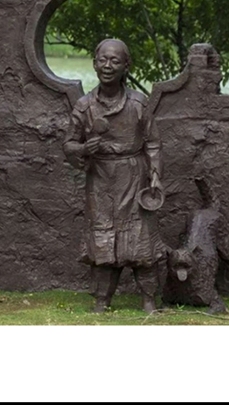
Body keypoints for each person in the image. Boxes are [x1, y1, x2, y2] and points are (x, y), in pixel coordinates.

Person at [63, 39, 167, 313]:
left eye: (115, 61)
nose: (108, 66)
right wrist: (84, 149)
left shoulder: (138, 103)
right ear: (94, 63)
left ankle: (148, 299)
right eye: (103, 60)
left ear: (126, 66)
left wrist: (155, 175)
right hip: (101, 180)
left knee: (140, 239)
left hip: (134, 177)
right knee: (102, 240)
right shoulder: (85, 106)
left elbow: (153, 143)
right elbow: (68, 144)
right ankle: (102, 300)